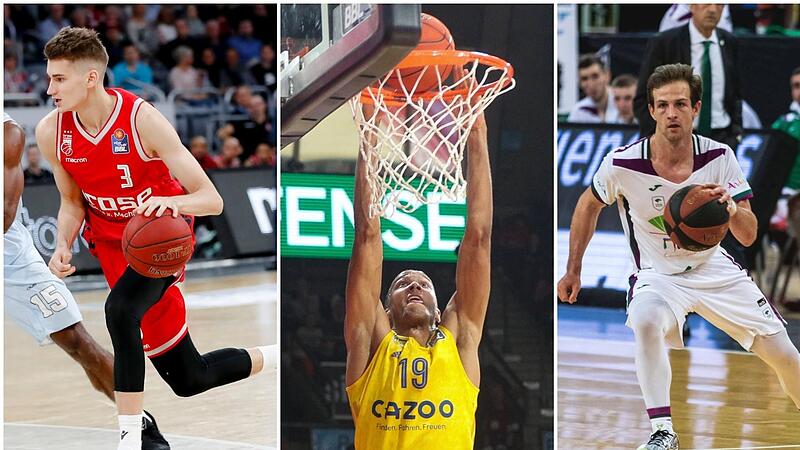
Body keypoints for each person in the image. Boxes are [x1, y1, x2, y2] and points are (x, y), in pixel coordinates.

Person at [36, 27, 277, 450]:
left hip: (160, 244)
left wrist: (172, 203)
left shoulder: (142, 119)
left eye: (59, 78)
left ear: (91, 78)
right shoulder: (52, 131)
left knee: (120, 310)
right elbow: (72, 202)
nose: (50, 87)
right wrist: (62, 244)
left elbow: (212, 200)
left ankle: (131, 437)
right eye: (50, 77)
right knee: (189, 377)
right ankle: (281, 356)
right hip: (112, 248)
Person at [558, 63, 800, 450]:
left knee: (784, 353)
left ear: (695, 108)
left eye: (681, 104)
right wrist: (573, 270)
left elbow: (750, 235)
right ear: (652, 111)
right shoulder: (622, 163)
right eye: (664, 105)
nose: (672, 113)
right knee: (646, 321)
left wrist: (734, 211)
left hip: (714, 268)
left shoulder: (720, 157)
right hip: (658, 275)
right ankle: (662, 432)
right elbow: (587, 206)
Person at [5, 113, 169, 450]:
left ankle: (139, 425)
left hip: (9, 254)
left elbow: (5, 213)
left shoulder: (8, 135)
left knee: (75, 339)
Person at [345, 99, 492, 447]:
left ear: (440, 312)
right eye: (401, 284)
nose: (414, 285)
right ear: (384, 309)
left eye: (424, 284)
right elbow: (367, 234)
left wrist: (477, 132)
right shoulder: (372, 341)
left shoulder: (460, 341)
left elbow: (479, 240)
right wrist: (369, 136)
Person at [634, 4, 742, 150]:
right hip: (676, 138)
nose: (712, 9)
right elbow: (643, 97)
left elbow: (735, 93)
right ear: (691, 6)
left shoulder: (730, 42)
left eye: (718, 4)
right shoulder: (665, 42)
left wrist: (736, 134)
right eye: (706, 3)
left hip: (721, 139)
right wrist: (661, 136)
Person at [567, 54, 618, 123]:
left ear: (607, 76)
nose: (591, 84)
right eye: (584, 79)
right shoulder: (578, 111)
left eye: (595, 76)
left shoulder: (626, 102)